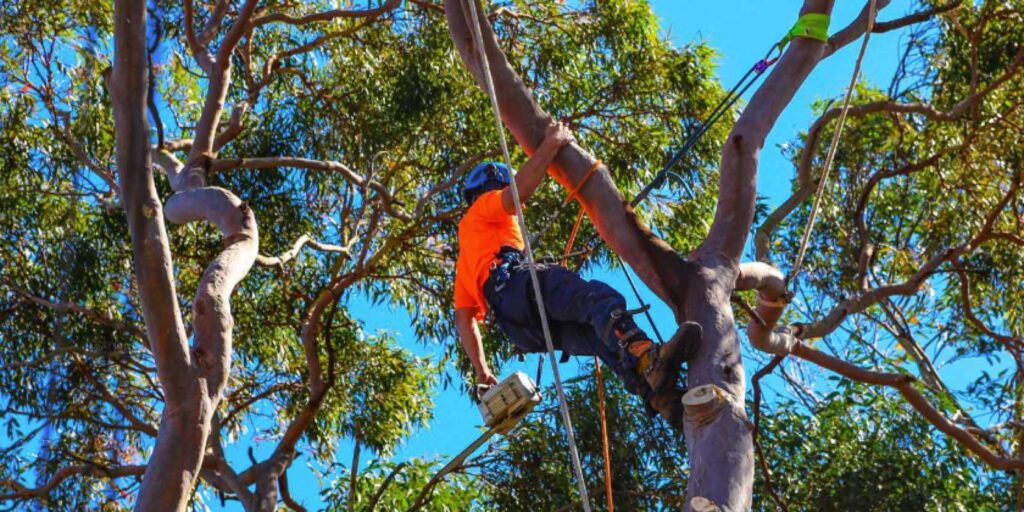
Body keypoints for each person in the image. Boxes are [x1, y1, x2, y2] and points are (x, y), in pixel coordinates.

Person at [453, 120, 701, 429]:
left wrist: (482, 371)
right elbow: (519, 192)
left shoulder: (467, 255)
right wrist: (552, 143)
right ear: (494, 185)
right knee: (597, 298)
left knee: (600, 338)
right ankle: (644, 354)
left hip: (518, 328)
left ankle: (657, 396)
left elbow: (464, 319)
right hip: (516, 286)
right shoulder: (482, 208)